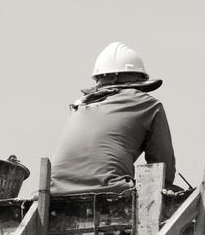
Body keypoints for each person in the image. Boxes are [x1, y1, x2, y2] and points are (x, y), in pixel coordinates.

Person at [52, 42, 175, 194]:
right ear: (138, 79)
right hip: (111, 189)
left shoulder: (78, 106)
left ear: (98, 80)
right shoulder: (148, 104)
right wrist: (167, 187)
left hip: (54, 192)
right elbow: (162, 170)